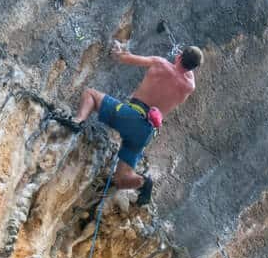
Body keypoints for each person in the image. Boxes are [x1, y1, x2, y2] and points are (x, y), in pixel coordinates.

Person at [65, 41, 202, 205]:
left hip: (131, 116)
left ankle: (77, 121)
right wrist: (186, 60)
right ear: (192, 68)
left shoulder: (160, 63)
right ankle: (144, 183)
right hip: (146, 131)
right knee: (122, 178)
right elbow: (188, 71)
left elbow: (123, 57)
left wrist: (118, 48)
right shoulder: (188, 86)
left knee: (90, 94)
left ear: (179, 56)